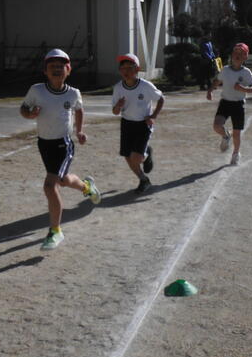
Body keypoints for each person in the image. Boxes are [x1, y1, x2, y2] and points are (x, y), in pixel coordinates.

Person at [20, 48, 101, 250]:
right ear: (45, 71)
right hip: (44, 143)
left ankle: (55, 231)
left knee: (50, 185)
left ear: (68, 70)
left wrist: (79, 131)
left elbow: (79, 110)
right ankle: (87, 187)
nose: (56, 69)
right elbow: (24, 108)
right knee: (62, 180)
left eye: (60, 66)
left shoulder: (73, 93)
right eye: (52, 66)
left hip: (63, 144)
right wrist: (29, 114)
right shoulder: (36, 90)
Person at [111, 53, 164, 194]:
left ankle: (146, 153)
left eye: (129, 68)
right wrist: (118, 106)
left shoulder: (146, 86)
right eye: (123, 68)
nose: (126, 71)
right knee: (127, 156)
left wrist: (153, 116)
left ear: (137, 69)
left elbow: (161, 99)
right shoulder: (118, 88)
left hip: (143, 124)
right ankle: (143, 179)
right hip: (127, 124)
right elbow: (115, 112)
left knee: (136, 158)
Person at [207, 42, 252, 166]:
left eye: (241, 53)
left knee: (237, 133)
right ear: (232, 55)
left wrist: (242, 89)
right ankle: (225, 135)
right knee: (216, 126)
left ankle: (235, 154)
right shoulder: (225, 70)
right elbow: (217, 81)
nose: (237, 55)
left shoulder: (246, 72)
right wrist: (210, 91)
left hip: (238, 105)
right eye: (236, 52)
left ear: (245, 57)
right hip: (225, 102)